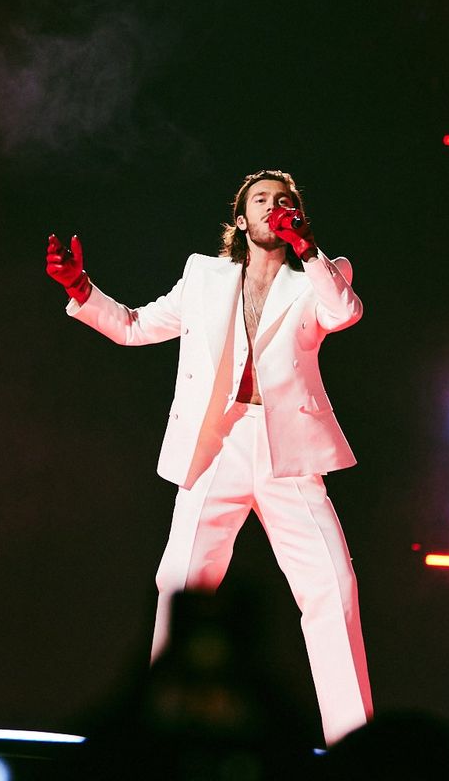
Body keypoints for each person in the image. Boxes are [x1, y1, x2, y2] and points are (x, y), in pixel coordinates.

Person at [46, 169, 373, 746]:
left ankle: (355, 744)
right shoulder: (204, 276)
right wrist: (81, 290)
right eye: (262, 201)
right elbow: (134, 327)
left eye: (285, 201)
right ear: (242, 220)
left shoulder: (324, 272)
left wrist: (309, 248)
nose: (275, 207)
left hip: (288, 453)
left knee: (333, 587)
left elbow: (342, 313)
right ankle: (156, 735)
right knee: (180, 583)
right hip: (216, 443)